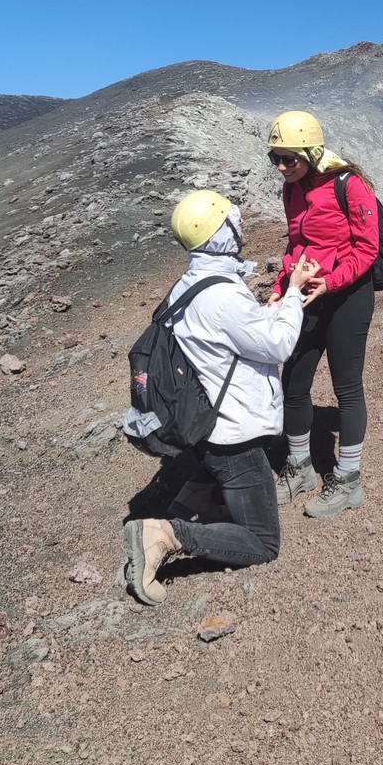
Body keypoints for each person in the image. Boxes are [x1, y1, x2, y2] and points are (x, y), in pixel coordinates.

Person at [122, 189, 318, 605]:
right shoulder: (223, 293)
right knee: (262, 541)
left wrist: (270, 309)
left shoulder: (193, 283)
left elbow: (230, 340)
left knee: (222, 477)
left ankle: (192, 497)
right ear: (221, 234)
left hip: (208, 424)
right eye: (234, 221)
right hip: (234, 437)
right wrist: (296, 293)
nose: (241, 225)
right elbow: (278, 345)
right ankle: (167, 534)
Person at [267, 110, 379, 518]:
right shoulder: (292, 189)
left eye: (289, 159)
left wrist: (331, 282)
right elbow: (297, 244)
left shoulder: (350, 185)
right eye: (275, 158)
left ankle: (348, 481)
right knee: (293, 380)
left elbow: (368, 249)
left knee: (346, 387)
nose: (281, 167)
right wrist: (282, 289)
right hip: (308, 292)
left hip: (348, 296)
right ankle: (299, 469)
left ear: (311, 153)